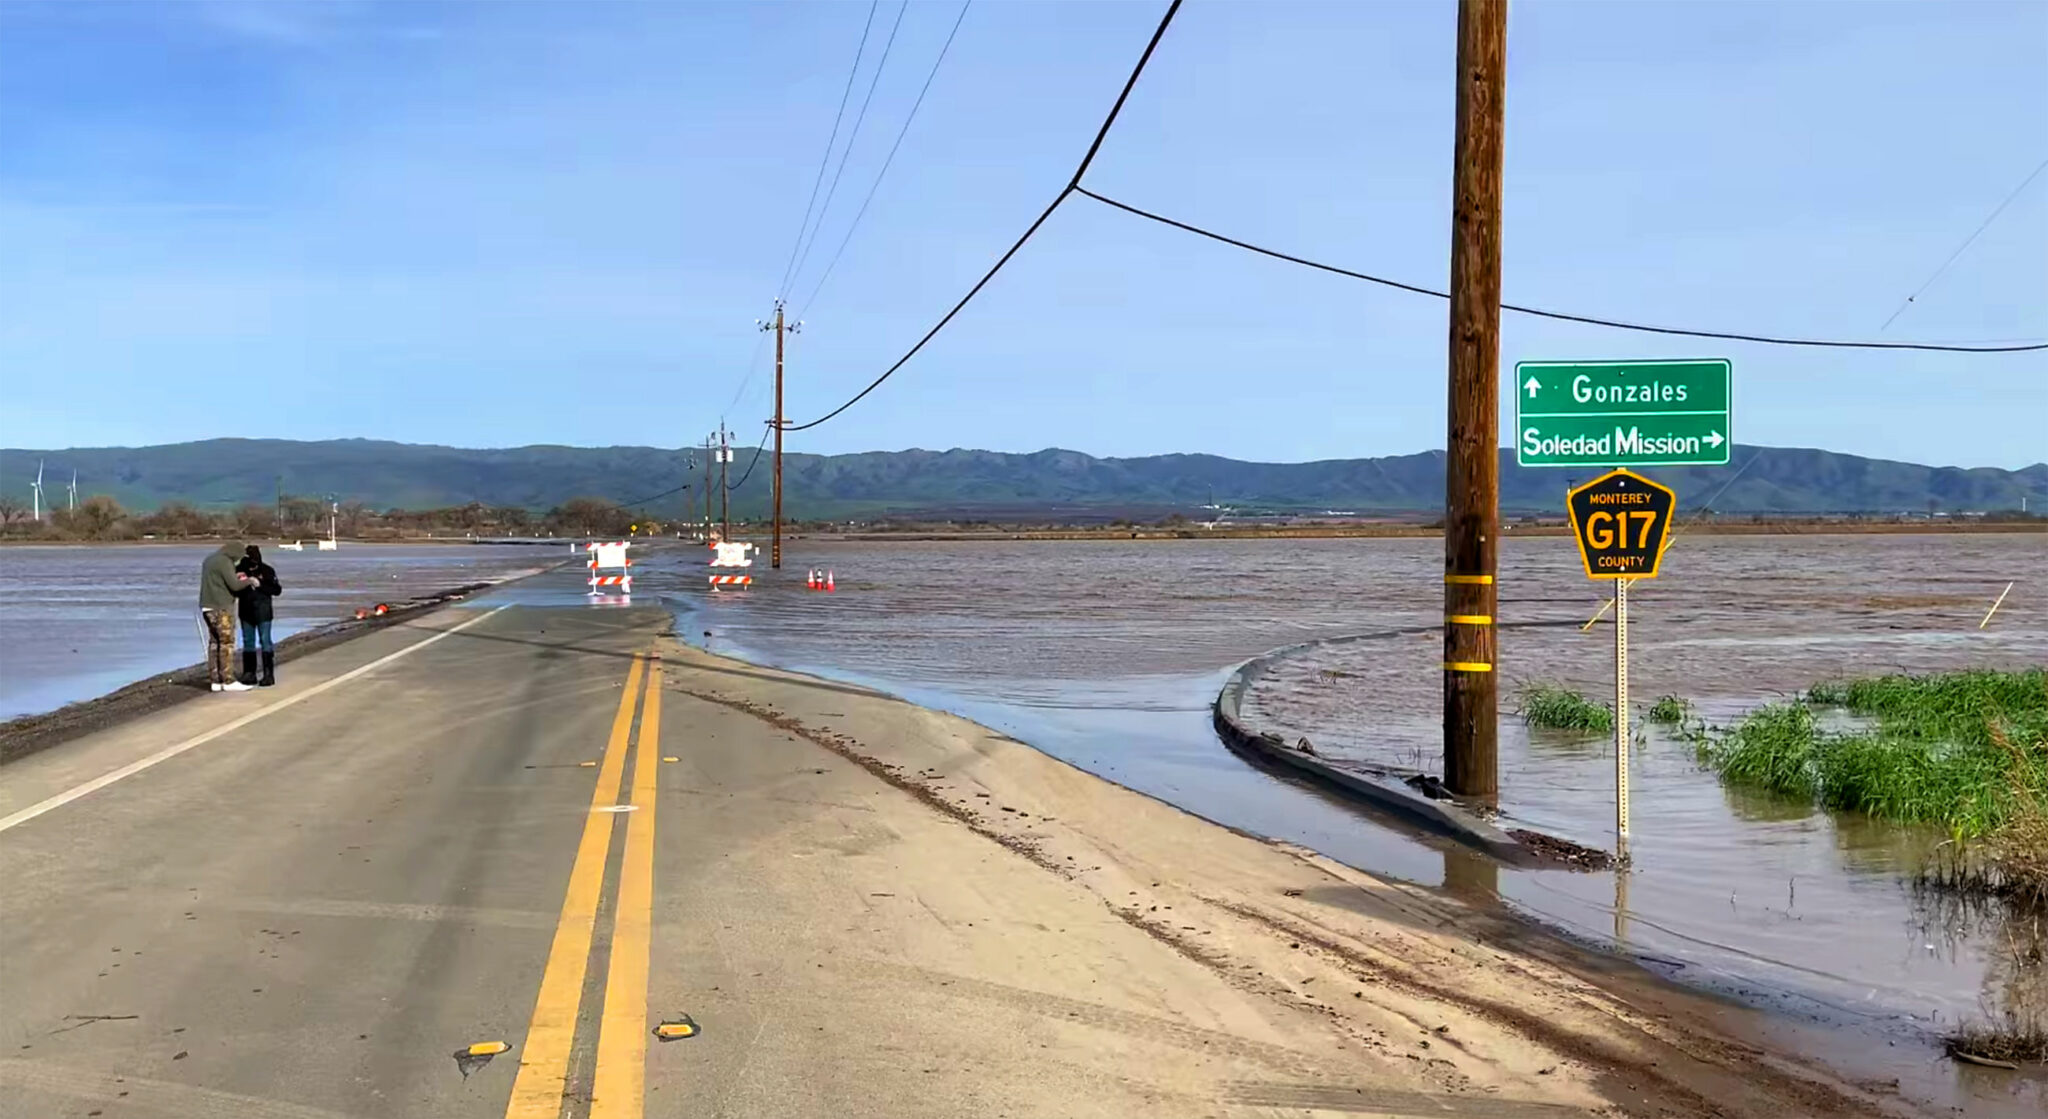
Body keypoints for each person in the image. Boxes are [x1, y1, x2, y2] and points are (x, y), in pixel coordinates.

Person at [199, 541, 258, 693]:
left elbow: (220, 581)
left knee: (214, 643)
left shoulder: (210, 560)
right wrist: (249, 580)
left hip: (207, 606)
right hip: (221, 607)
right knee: (226, 643)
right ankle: (228, 680)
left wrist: (235, 577)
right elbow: (235, 586)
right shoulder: (224, 562)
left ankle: (215, 680)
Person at [235, 544, 283, 687]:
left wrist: (260, 584)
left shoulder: (267, 570)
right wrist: (241, 583)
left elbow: (276, 590)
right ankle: (249, 673)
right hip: (246, 611)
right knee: (248, 641)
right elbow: (234, 589)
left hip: (263, 611)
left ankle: (268, 674)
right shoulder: (239, 570)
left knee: (265, 641)